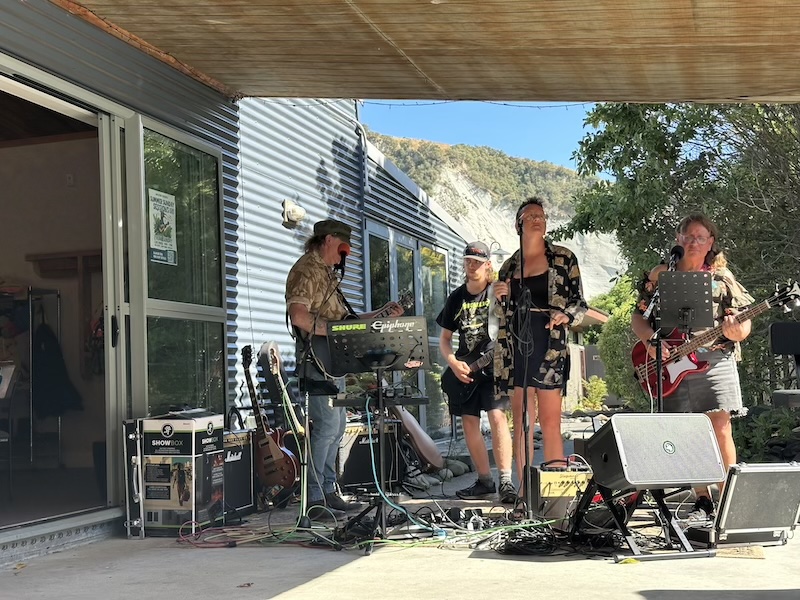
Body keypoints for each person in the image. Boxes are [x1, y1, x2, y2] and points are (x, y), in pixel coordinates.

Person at [631, 212, 753, 522]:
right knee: (690, 432)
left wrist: (738, 331)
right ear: (678, 239)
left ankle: (728, 500)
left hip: (714, 360)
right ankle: (703, 499)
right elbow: (639, 318)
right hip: (673, 363)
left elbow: (743, 322)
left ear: (711, 242)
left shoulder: (722, 277)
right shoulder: (660, 275)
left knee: (720, 427)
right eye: (688, 236)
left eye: (701, 237)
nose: (694, 242)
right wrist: (651, 343)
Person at [285, 218, 404, 520]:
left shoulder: (327, 275)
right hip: (317, 362)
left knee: (336, 428)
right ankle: (313, 498)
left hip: (334, 363)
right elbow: (299, 317)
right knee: (324, 428)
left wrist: (380, 314)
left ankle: (328, 491)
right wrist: (334, 333)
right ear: (327, 241)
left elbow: (344, 320)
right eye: (342, 249)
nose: (344, 256)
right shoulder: (305, 271)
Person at [493, 198, 587, 484]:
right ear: (518, 223)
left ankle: (557, 495)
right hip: (516, 347)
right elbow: (500, 314)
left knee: (550, 423)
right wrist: (498, 297)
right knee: (522, 423)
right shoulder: (508, 267)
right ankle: (526, 494)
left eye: (542, 215)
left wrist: (565, 316)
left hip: (550, 345)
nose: (537, 219)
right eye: (530, 215)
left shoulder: (564, 257)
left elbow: (580, 304)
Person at [437, 241, 515, 503]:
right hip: (466, 370)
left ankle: (505, 481)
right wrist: (452, 363)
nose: (472, 266)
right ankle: (484, 480)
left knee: (497, 416)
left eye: (478, 263)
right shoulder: (456, 298)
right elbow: (445, 339)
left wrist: (508, 297)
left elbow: (515, 328)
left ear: (488, 265)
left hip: (494, 369)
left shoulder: (498, 292)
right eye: (468, 261)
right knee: (469, 422)